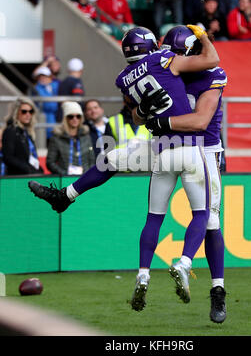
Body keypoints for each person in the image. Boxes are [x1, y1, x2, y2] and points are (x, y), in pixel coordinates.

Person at [28, 25, 220, 317]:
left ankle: (141, 271)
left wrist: (148, 114)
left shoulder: (123, 78)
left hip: (160, 149)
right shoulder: (166, 60)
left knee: (135, 191)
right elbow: (211, 60)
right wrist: (203, 34)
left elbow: (139, 111)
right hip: (191, 148)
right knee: (203, 215)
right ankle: (183, 262)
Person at [147, 25, 227, 322]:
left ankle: (217, 291)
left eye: (180, 53)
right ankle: (68, 193)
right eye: (173, 53)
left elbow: (201, 120)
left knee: (211, 220)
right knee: (113, 160)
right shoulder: (167, 69)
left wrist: (163, 124)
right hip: (168, 147)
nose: (174, 58)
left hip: (204, 150)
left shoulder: (211, 74)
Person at [46, 101, 95, 175]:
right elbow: (50, 162)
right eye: (71, 116)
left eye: (78, 116)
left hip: (85, 179)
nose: (75, 119)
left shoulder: (86, 136)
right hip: (65, 180)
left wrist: (88, 175)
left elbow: (91, 160)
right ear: (65, 118)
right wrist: (64, 174)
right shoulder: (56, 138)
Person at [2, 97, 44, 175]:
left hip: (28, 175)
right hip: (17, 178)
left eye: (30, 111)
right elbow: (8, 157)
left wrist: (38, 169)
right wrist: (28, 169)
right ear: (16, 112)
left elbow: (30, 156)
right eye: (24, 111)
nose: (28, 114)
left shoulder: (27, 132)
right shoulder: (10, 131)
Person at [32, 66, 59, 140]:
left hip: (55, 121)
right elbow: (49, 105)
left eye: (45, 76)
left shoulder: (54, 85)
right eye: (40, 76)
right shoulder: (36, 89)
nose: (43, 78)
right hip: (44, 121)